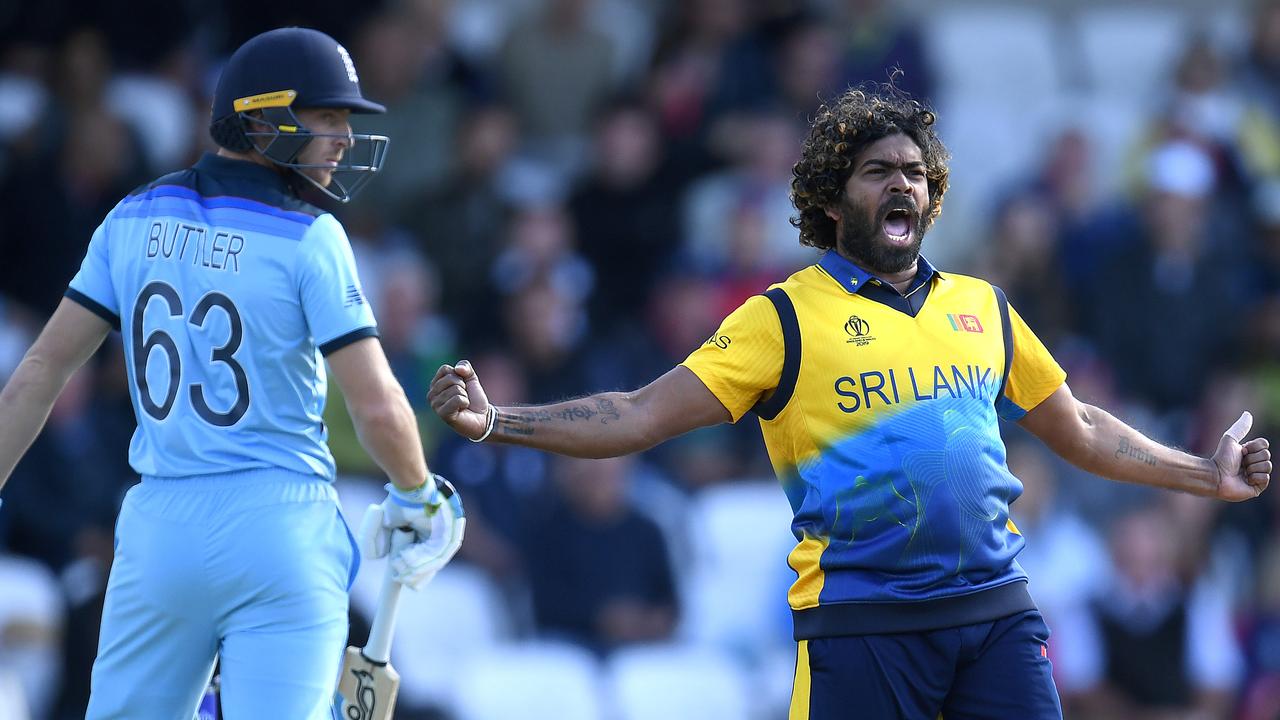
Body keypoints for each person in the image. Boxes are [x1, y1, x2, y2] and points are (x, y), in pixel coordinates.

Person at [428, 85, 1272, 719]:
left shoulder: (981, 306)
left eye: (914, 172)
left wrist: (1205, 473)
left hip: (995, 615)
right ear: (832, 199)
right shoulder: (783, 317)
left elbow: (1079, 427)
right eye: (877, 172)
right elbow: (640, 414)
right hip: (861, 626)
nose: (901, 185)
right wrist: (500, 421)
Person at [0, 27, 464, 720]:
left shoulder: (130, 217)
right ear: (264, 118)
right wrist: (421, 497)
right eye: (327, 116)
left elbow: (38, 371)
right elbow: (377, 407)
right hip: (280, 529)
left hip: (159, 531)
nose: (342, 137)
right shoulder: (313, 235)